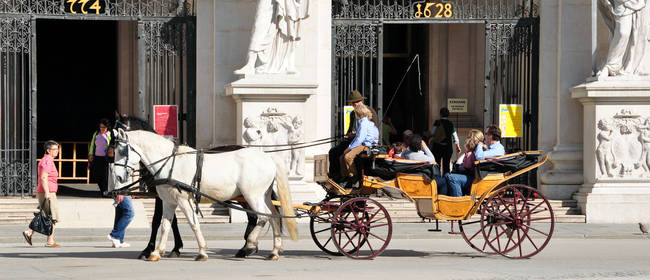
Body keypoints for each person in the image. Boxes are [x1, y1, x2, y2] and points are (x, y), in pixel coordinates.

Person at [328, 90, 378, 182]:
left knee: (346, 155)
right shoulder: (352, 114)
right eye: (353, 103)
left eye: (356, 102)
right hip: (354, 140)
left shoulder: (369, 112)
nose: (354, 105)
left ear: (361, 101)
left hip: (363, 141)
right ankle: (337, 176)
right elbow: (350, 130)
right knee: (333, 151)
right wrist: (350, 134)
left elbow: (373, 129)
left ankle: (352, 177)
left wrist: (356, 136)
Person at [23, 140, 61, 247]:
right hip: (47, 191)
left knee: (46, 216)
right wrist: (47, 193)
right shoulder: (47, 161)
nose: (57, 152)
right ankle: (49, 241)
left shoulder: (47, 160)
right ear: (48, 150)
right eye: (55, 149)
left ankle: (30, 233)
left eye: (57, 149)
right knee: (52, 216)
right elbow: (44, 177)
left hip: (46, 191)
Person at [340, 103, 379, 187]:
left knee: (348, 156)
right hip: (362, 144)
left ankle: (354, 177)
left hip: (365, 145)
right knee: (341, 157)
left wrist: (349, 148)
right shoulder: (363, 122)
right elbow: (358, 138)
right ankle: (345, 177)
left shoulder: (364, 123)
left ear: (358, 113)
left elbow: (359, 139)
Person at [443, 129, 485, 197]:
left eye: (468, 137)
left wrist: (459, 165)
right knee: (447, 176)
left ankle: (458, 202)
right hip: (471, 176)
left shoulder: (472, 153)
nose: (467, 139)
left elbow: (467, 167)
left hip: (472, 178)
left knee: (450, 177)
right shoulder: (477, 150)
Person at [429, 107, 461, 175]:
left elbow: (432, 133)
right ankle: (446, 180)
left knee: (437, 164)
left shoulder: (437, 122)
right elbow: (455, 136)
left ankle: (437, 180)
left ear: (440, 114)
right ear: (448, 114)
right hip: (447, 147)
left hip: (437, 146)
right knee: (446, 166)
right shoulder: (450, 123)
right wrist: (458, 147)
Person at [89, 118, 113, 197]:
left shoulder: (109, 134)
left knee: (105, 175)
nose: (102, 129)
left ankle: (105, 191)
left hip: (106, 158)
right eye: (101, 127)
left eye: (103, 127)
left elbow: (112, 146)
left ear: (107, 127)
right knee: (97, 175)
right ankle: (102, 190)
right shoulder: (96, 134)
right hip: (97, 157)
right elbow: (92, 145)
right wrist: (91, 154)